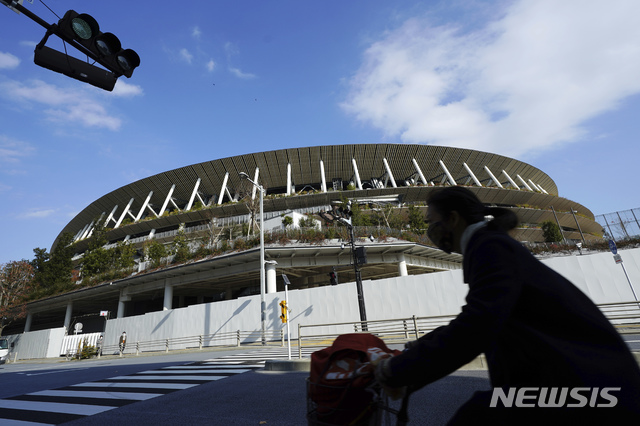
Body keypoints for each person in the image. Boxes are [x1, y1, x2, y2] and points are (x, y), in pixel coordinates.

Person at [375, 186, 640, 424]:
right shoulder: (492, 246)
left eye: (431, 221)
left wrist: (397, 370)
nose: (429, 230)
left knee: (475, 417)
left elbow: (476, 327)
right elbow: (480, 321)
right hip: (590, 385)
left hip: (589, 390)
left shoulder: (490, 248)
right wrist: (414, 359)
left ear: (453, 219)